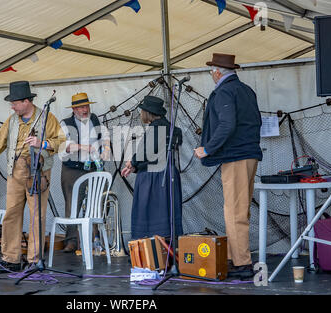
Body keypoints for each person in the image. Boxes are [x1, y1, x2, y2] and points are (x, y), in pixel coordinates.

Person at [0, 81, 65, 271]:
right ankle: (11, 257)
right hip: (15, 172)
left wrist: (41, 143)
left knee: (37, 215)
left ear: (26, 101)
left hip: (38, 171)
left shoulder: (47, 118)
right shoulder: (12, 120)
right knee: (11, 213)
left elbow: (61, 142)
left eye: (15, 102)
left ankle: (34, 259)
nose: (12, 106)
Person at [194, 53, 262, 278]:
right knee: (239, 210)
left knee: (234, 211)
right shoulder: (246, 91)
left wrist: (208, 148)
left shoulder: (224, 91)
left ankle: (242, 263)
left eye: (210, 70)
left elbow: (227, 124)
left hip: (236, 157)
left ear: (216, 72)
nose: (211, 74)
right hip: (249, 154)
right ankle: (234, 257)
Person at [121, 95, 183, 240]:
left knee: (149, 215)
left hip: (154, 178)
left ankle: (151, 252)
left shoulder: (156, 128)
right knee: (167, 214)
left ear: (147, 113)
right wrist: (135, 167)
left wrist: (133, 162)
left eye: (142, 111)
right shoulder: (172, 128)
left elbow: (148, 151)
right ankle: (169, 251)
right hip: (169, 174)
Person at [59, 92, 110, 253]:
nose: (84, 110)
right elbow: (65, 146)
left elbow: (105, 137)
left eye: (86, 106)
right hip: (73, 168)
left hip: (94, 167)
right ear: (74, 109)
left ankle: (97, 239)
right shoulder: (65, 123)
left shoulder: (94, 119)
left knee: (100, 202)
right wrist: (84, 147)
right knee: (72, 204)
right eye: (80, 107)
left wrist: (106, 149)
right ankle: (72, 241)